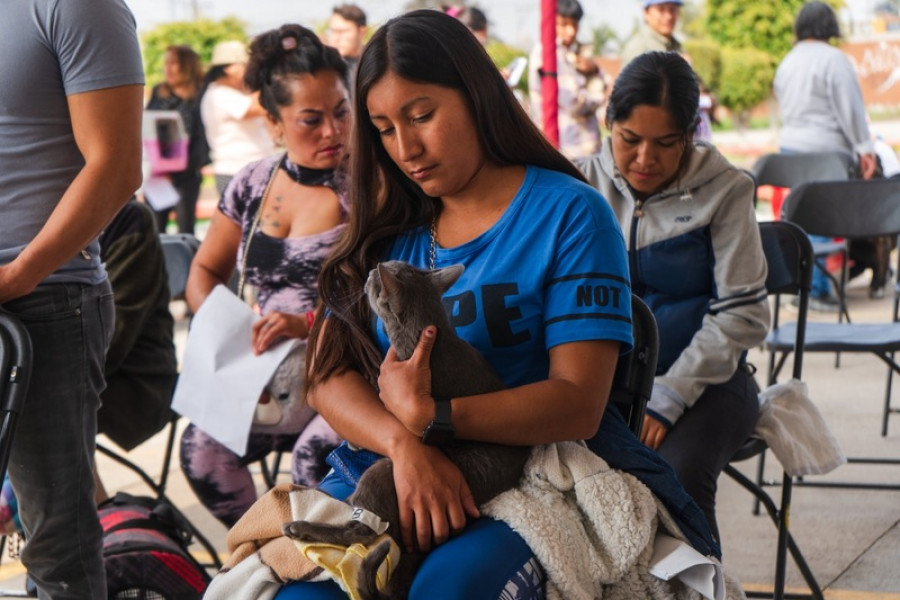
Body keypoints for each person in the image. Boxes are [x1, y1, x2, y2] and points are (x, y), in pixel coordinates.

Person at [275, 10, 642, 600]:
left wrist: (434, 418)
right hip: (395, 468)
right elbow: (325, 374)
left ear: (477, 97)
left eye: (422, 116)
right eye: (384, 129)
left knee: (451, 588)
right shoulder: (387, 227)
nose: (406, 146)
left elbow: (578, 403)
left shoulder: (570, 214)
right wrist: (405, 447)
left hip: (528, 476)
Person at [576, 51, 771, 544]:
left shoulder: (726, 190)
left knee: (676, 477)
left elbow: (742, 312)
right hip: (599, 385)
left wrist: (669, 395)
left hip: (709, 384)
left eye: (666, 143)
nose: (645, 159)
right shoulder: (577, 186)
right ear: (608, 123)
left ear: (691, 135)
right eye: (630, 140)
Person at [0, 0, 144, 597]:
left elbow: (115, 164)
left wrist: (18, 276)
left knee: (55, 547)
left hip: (42, 301)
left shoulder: (76, 5)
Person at [181, 23, 348, 528]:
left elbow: (383, 298)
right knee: (200, 452)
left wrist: (308, 324)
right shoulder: (253, 183)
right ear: (274, 123)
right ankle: (261, 550)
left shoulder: (369, 187)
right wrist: (230, 335)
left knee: (311, 463)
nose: (332, 132)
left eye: (341, 113)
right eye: (310, 120)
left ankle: (308, 564)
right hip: (262, 377)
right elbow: (205, 271)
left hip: (341, 375)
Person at [775, 1, 880, 304]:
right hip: (827, 152)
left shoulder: (787, 61)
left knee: (802, 218)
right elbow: (850, 109)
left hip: (791, 152)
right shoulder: (834, 60)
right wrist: (864, 147)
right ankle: (818, 290)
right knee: (823, 222)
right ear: (830, 26)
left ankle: (801, 286)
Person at [528, 0, 609, 160]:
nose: (571, 31)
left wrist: (594, 69)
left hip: (583, 150)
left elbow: (607, 80)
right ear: (552, 22)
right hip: (569, 152)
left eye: (575, 25)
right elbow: (574, 103)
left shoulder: (573, 51)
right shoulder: (549, 54)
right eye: (564, 24)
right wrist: (600, 96)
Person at [146, 45, 210, 235]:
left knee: (185, 229)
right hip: (157, 174)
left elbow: (201, 137)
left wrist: (186, 167)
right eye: (166, 63)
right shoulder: (159, 91)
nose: (168, 68)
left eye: (173, 63)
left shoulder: (201, 94)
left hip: (186, 174)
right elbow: (147, 127)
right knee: (156, 231)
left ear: (187, 65)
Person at [201, 39, 276, 197]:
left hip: (251, 169)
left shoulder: (234, 93)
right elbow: (258, 107)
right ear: (229, 68)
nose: (250, 71)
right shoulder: (220, 94)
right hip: (236, 171)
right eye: (246, 66)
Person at [620, 0, 684, 66]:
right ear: (646, 13)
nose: (668, 16)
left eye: (672, 10)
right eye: (661, 9)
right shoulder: (639, 49)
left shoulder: (676, 47)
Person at [326, 4, 368, 88]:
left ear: (361, 32)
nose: (336, 38)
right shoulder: (325, 67)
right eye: (333, 31)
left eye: (342, 32)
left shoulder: (375, 64)